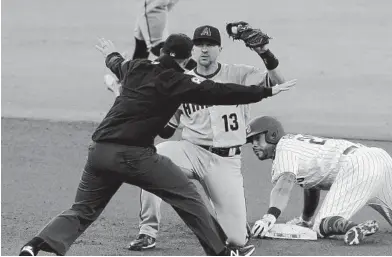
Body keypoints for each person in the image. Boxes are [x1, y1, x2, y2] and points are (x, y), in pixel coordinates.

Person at [18, 34, 297, 256]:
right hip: (134, 155)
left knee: (82, 209)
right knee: (186, 195)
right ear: (187, 58)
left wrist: (110, 54)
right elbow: (220, 91)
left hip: (99, 151)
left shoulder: (135, 67)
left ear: (162, 53)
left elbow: (117, 63)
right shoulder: (178, 81)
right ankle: (221, 253)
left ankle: (35, 245)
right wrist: (266, 91)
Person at [105, 24, 286, 250]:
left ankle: (226, 222)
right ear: (192, 51)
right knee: (152, 158)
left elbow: (277, 81)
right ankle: (147, 232)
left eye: (210, 45)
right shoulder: (180, 80)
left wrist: (264, 53)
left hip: (225, 162)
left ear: (220, 48)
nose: (204, 49)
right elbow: (165, 130)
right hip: (190, 151)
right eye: (199, 44)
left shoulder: (239, 74)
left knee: (237, 239)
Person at [243, 115, 392, 245]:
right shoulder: (297, 144)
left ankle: (354, 227)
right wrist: (305, 219)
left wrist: (269, 217)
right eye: (251, 142)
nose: (254, 145)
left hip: (359, 166)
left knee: (321, 225)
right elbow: (311, 184)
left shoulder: (283, 148)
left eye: (257, 139)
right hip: (379, 158)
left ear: (272, 135)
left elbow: (285, 183)